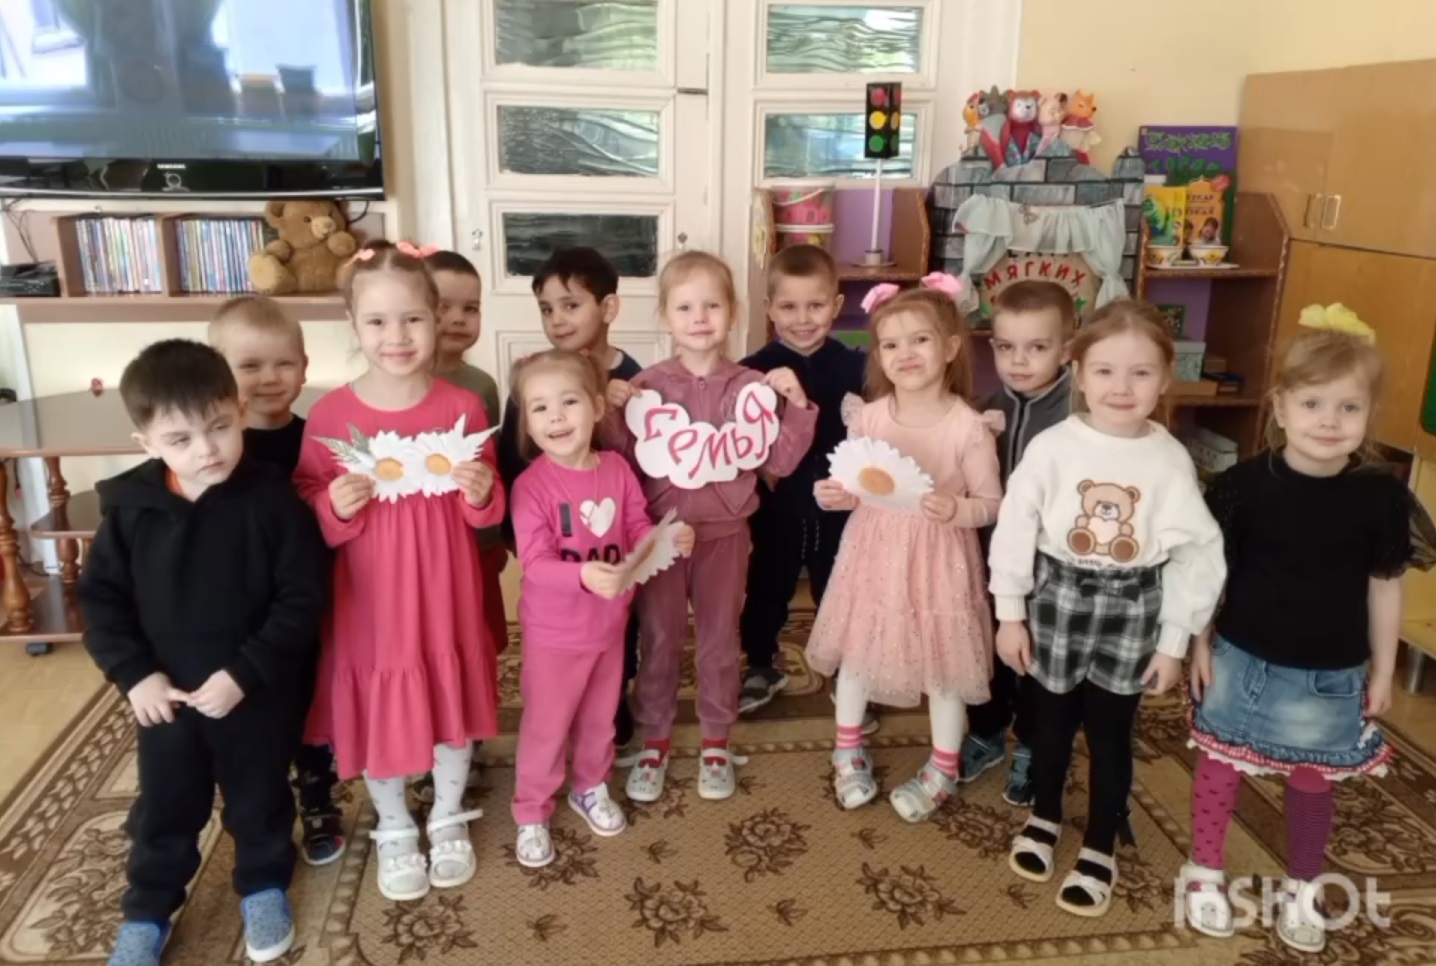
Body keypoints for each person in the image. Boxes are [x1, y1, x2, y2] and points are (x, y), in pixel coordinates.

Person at [78, 340, 327, 966]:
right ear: (145, 442)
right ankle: (147, 911)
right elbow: (101, 601)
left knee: (259, 795)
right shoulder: (129, 511)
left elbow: (302, 598)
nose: (207, 449)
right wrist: (135, 677)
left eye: (218, 427)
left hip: (253, 690)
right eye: (181, 439)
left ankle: (264, 884)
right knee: (165, 804)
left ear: (239, 412)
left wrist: (246, 673)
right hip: (165, 697)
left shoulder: (273, 500)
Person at [1182, 305, 1415, 954]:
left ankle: (1303, 885)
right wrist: (1199, 643)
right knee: (1221, 765)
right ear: (1281, 407)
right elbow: (1209, 574)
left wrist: (1384, 668)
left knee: (1314, 780)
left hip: (1331, 671)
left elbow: (1385, 583)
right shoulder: (1241, 487)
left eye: (1349, 408)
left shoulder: (1380, 496)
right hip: (1241, 658)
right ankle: (1205, 869)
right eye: (1313, 404)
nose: (1329, 421)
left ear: (1369, 415)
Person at [988, 300, 1226, 918]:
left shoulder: (1169, 460)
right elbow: (1015, 528)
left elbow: (1197, 554)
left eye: (1140, 373)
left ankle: (1099, 844)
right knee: (1049, 722)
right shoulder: (1052, 447)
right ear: (1078, 372)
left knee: (1111, 732)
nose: (1121, 388)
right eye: (1105, 371)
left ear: (1165, 378)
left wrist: (1174, 642)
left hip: (1133, 606)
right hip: (1057, 599)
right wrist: (1009, 613)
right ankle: (1044, 816)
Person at [295, 239, 505, 903]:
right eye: (378, 321)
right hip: (370, 594)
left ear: (435, 317)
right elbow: (307, 494)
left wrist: (481, 494)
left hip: (445, 588)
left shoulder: (462, 407)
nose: (397, 336)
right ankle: (391, 823)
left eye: (412, 318)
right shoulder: (331, 415)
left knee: (449, 696)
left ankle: (447, 813)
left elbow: (489, 500)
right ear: (353, 325)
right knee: (381, 702)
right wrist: (332, 504)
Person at [603, 250, 817, 802]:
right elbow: (619, 461)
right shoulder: (644, 387)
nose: (699, 317)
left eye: (712, 306)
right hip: (660, 537)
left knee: (721, 639)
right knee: (660, 637)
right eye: (685, 307)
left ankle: (716, 740)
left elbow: (779, 462)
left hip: (726, 535)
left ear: (733, 312)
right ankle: (655, 739)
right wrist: (609, 410)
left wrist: (796, 405)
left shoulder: (752, 387)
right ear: (665, 316)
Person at [805, 275, 1002, 822]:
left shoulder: (969, 427)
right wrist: (835, 496)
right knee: (859, 650)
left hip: (939, 559)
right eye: (890, 344)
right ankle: (847, 749)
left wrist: (958, 509)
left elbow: (992, 503)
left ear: (951, 348)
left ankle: (943, 767)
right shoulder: (868, 417)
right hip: (872, 553)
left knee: (944, 665)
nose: (904, 353)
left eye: (920, 340)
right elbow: (857, 486)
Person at [508, 349, 695, 867]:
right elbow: (535, 564)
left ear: (595, 407)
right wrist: (583, 576)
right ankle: (531, 809)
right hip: (554, 634)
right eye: (540, 408)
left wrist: (666, 539)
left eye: (568, 402)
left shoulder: (616, 468)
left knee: (599, 717)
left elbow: (636, 525)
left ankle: (590, 786)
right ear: (528, 423)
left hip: (610, 626)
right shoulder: (530, 486)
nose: (556, 417)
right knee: (547, 725)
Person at [208, 296, 345, 868]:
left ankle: (319, 798)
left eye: (283, 363)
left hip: (311, 602)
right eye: (250, 365)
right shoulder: (216, 452)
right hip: (243, 612)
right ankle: (262, 814)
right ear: (220, 372)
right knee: (259, 717)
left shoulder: (323, 439)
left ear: (305, 367)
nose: (269, 378)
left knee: (314, 702)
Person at [496, 246, 646, 747]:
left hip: (614, 534)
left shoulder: (634, 377)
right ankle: (556, 710)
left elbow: (643, 458)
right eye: (546, 308)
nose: (557, 319)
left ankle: (613, 696)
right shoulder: (533, 378)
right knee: (558, 629)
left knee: (619, 619)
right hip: (556, 536)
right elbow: (514, 456)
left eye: (571, 305)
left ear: (608, 308)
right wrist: (515, 533)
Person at [736, 244, 868, 724]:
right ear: (769, 308)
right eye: (789, 306)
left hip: (841, 503)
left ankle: (848, 670)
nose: (802, 319)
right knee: (766, 583)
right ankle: (760, 662)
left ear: (836, 305)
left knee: (840, 584)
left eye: (815, 305)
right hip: (777, 504)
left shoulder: (858, 367)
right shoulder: (751, 371)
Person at [962, 280, 1076, 807]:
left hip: (1052, 570)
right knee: (984, 649)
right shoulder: (984, 410)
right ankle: (986, 731)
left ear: (1067, 349)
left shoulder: (1080, 415)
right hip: (988, 560)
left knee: (1039, 660)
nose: (1019, 360)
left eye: (1037, 347)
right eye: (1006, 347)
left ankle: (1032, 743)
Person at [414, 250, 506, 804]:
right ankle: (423, 741)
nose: (456, 318)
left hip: (476, 547)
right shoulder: (400, 385)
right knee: (426, 647)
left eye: (469, 308)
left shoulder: (480, 387)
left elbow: (494, 468)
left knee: (477, 644)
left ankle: (467, 737)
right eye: (442, 306)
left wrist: (497, 536)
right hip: (420, 557)